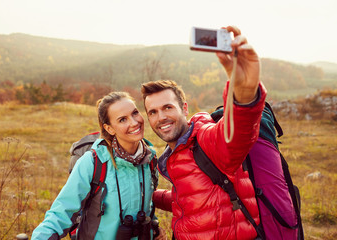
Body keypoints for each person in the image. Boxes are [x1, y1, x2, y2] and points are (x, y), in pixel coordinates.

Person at [141, 26, 267, 240]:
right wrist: (147, 197)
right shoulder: (175, 153)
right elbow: (192, 195)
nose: (160, 117)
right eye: (153, 112)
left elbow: (238, 133)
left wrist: (244, 93)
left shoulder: (207, 139)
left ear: (185, 109)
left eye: (168, 108)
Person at [32, 92, 166, 239]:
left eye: (135, 113)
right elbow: (62, 211)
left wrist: (153, 226)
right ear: (109, 129)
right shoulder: (93, 163)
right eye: (122, 120)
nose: (134, 122)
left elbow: (146, 204)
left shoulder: (150, 159)